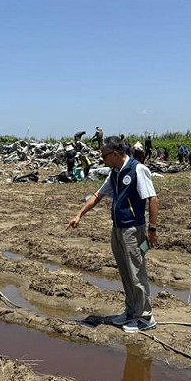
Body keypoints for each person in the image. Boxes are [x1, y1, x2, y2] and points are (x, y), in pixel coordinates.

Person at [66, 136, 159, 333]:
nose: (103, 160)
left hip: (134, 230)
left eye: (104, 156)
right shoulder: (114, 173)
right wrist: (79, 214)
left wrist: (152, 230)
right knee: (125, 272)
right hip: (117, 229)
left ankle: (145, 317)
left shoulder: (138, 169)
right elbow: (98, 196)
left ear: (115, 154)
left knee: (136, 272)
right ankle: (131, 310)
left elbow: (153, 199)